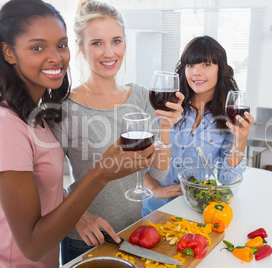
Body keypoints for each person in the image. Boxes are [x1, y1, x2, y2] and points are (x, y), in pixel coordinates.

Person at [0, 0, 155, 266]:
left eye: (61, 45)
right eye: (37, 47)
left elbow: (46, 189)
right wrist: (101, 174)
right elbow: (31, 245)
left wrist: (80, 213)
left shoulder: (34, 114)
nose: (55, 57)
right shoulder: (3, 127)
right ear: (9, 53)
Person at [48, 0, 184, 264]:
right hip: (85, 236)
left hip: (134, 229)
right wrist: (80, 216)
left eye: (116, 41)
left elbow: (156, 172)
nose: (109, 52)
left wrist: (165, 127)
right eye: (97, 42)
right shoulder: (64, 108)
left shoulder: (143, 96)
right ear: (80, 47)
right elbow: (46, 184)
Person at [143, 35, 255, 217]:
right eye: (190, 65)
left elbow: (227, 180)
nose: (196, 72)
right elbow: (142, 163)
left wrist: (241, 141)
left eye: (206, 65)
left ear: (221, 69)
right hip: (155, 211)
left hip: (195, 212)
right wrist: (155, 189)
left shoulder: (226, 118)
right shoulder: (168, 106)